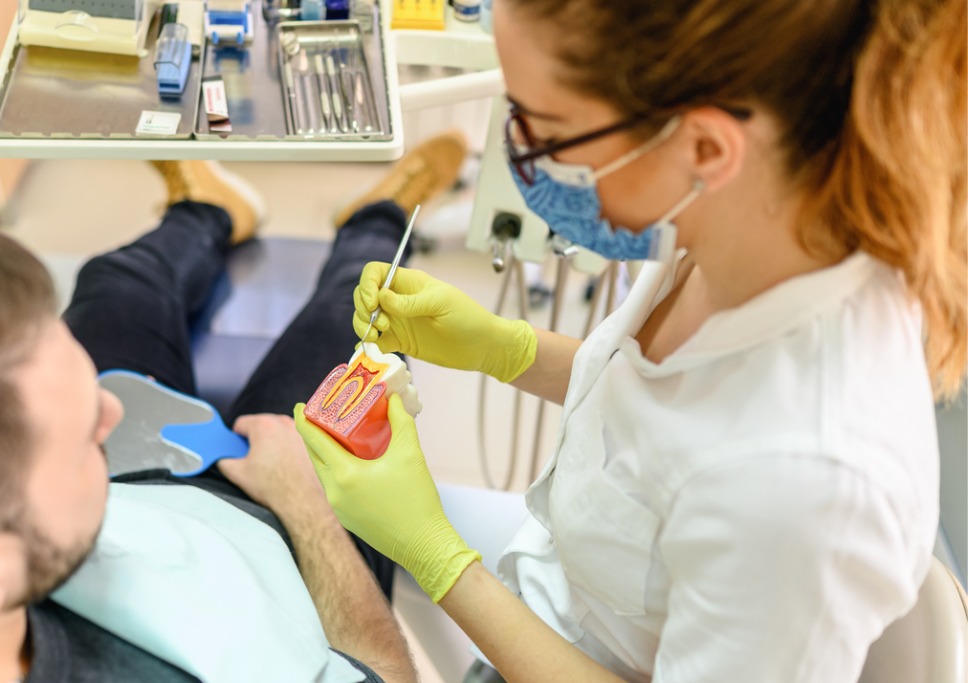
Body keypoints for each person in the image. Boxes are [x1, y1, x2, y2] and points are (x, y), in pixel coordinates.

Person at [293, 0, 967, 681]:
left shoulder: (808, 484)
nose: (519, 154)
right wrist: (500, 347)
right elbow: (657, 410)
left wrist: (436, 557)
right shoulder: (739, 219)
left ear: (704, 147)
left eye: (545, 129)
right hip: (565, 577)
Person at [0, 131, 469, 683]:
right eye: (81, 434)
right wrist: (310, 511)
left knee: (117, 284)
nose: (113, 407)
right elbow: (384, 675)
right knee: (362, 315)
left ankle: (206, 213)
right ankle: (377, 222)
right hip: (288, 538)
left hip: (137, 499)